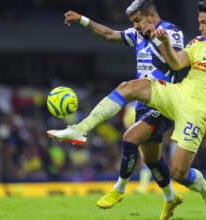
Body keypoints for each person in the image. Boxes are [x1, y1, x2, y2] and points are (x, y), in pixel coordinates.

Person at [48, 0, 206, 217]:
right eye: (199, 22)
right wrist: (163, 44)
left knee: (179, 173)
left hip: (198, 111)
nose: (200, 27)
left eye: (204, 23)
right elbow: (176, 64)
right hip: (177, 94)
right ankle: (81, 129)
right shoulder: (196, 42)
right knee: (129, 87)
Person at [63, 1, 184, 219]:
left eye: (138, 20)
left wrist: (156, 38)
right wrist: (82, 20)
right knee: (152, 160)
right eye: (133, 22)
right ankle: (170, 198)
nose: (135, 26)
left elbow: (175, 62)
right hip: (142, 103)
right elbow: (109, 34)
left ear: (151, 15)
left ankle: (119, 189)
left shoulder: (171, 32)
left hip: (165, 101)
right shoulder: (137, 35)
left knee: (130, 138)